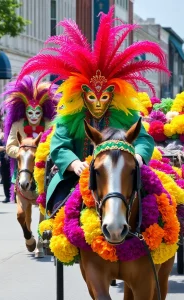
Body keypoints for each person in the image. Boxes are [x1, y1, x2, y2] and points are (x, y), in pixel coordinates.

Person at [17, 8, 169, 213]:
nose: (97, 103)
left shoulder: (126, 114)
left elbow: (143, 139)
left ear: (113, 95)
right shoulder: (69, 117)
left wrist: (138, 158)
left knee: (154, 206)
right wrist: (74, 163)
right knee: (57, 207)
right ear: (82, 95)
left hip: (121, 174)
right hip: (76, 176)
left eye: (104, 97)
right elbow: (60, 146)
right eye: (92, 97)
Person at [2, 75, 59, 203]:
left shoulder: (50, 123)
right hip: (24, 164)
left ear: (42, 112)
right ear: (25, 111)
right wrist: (24, 153)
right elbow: (10, 147)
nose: (33, 116)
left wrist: (42, 155)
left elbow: (56, 143)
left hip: (44, 165)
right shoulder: (18, 124)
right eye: (30, 113)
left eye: (37, 113)